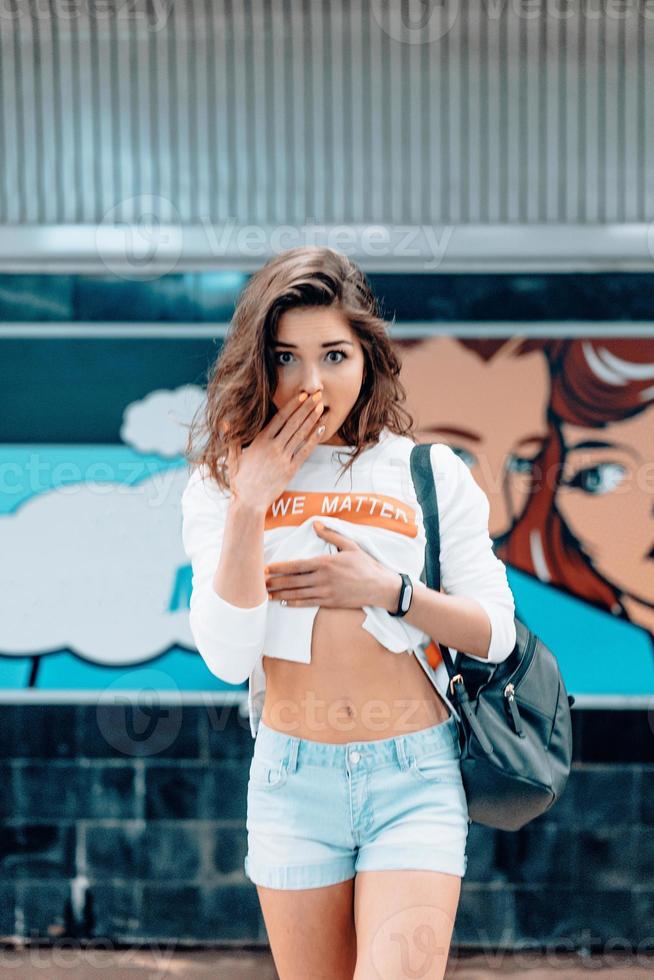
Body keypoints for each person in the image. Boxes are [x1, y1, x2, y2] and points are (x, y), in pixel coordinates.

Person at [181, 246, 516, 980]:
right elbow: (227, 658)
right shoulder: (223, 484)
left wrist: (389, 591)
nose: (311, 384)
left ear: (366, 354)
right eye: (286, 358)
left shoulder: (428, 472)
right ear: (257, 363)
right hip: (292, 780)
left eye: (333, 354)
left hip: (414, 775)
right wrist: (249, 504)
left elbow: (495, 632)